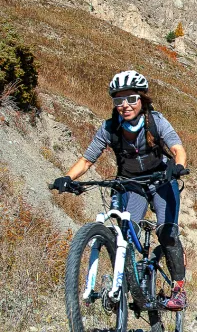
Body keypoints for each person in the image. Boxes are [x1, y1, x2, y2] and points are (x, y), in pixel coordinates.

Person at [51, 70, 189, 310]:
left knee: (167, 233)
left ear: (142, 99)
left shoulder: (156, 121)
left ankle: (179, 288)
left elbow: (178, 149)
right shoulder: (109, 128)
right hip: (131, 183)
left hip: (162, 181)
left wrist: (177, 167)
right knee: (125, 232)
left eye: (131, 99)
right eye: (118, 101)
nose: (125, 105)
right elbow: (86, 160)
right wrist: (66, 177)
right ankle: (123, 285)